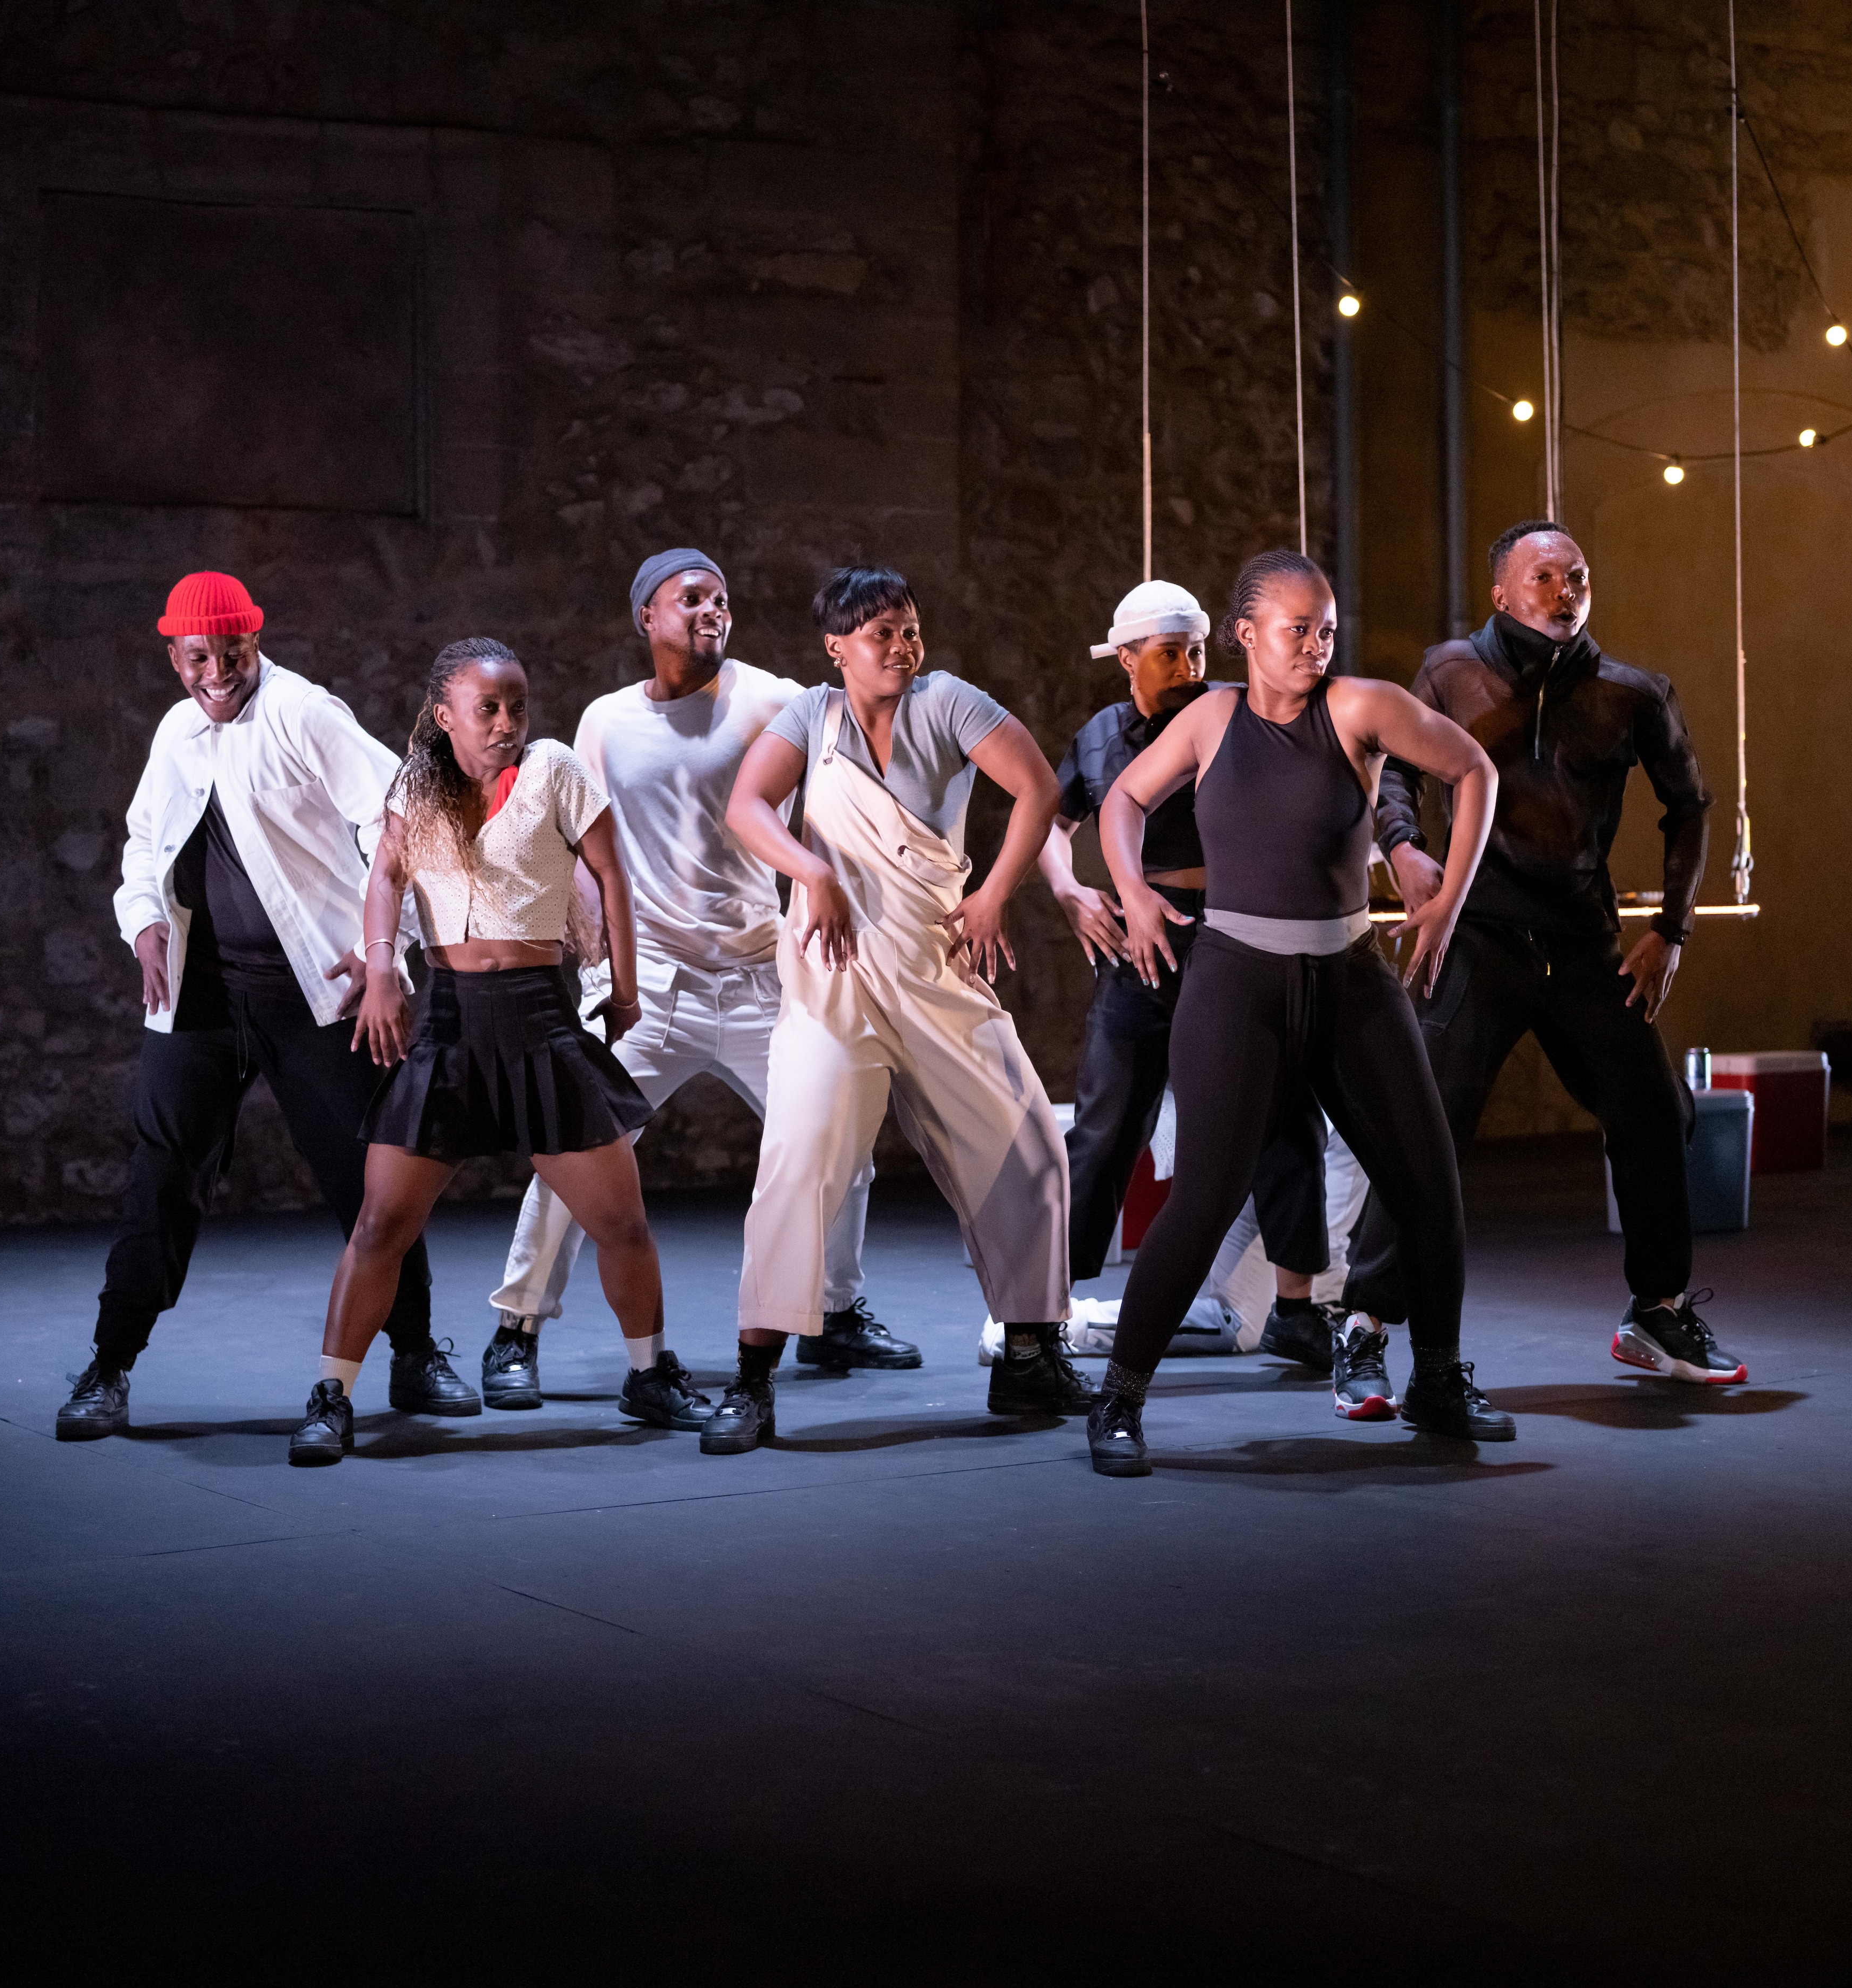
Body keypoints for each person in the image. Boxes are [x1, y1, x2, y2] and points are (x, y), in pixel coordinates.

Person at [1082, 550, 1503, 1478]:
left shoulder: (1360, 706)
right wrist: (1134, 893)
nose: (1316, 645)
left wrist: (1448, 902)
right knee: (1201, 1199)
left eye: (1326, 628)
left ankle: (1436, 1376)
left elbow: (1473, 769)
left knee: (1430, 1186)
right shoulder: (1211, 717)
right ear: (1244, 634)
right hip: (1237, 983)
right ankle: (1118, 1398)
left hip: (1350, 981)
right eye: (1295, 629)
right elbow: (1122, 800)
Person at [56, 571, 470, 1443]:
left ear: (256, 643)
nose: (217, 673)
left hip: (315, 991)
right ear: (174, 658)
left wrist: (386, 950)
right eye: (198, 656)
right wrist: (143, 928)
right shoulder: (176, 734)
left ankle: (417, 1349)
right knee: (161, 1174)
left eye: (231, 653)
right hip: (202, 995)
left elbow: (405, 817)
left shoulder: (302, 712)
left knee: (373, 1178)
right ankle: (109, 1363)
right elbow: (141, 850)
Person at [481, 550, 898, 1412]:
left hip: (757, 972)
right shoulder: (604, 722)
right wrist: (583, 922)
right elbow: (576, 831)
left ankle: (834, 1309)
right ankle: (516, 1327)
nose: (712, 609)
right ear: (649, 617)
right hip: (651, 981)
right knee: (575, 1155)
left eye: (722, 598)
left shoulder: (774, 700)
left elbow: (849, 786)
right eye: (691, 598)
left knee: (838, 1135)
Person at [1355, 520, 1745, 1386]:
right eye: (1543, 577)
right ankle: (1367, 1324)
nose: (1564, 589)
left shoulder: (1632, 692)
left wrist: (1671, 930)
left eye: (1577, 576)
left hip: (1580, 941)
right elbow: (1393, 771)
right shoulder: (1450, 670)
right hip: (1477, 936)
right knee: (1425, 1126)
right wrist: (1402, 845)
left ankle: (1658, 1314)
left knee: (1653, 1110)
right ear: (1502, 591)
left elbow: (1691, 806)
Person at [710, 565, 1080, 1454]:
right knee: (798, 1160)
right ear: (836, 647)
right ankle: (752, 1383)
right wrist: (812, 870)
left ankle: (1030, 1352)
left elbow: (1037, 788)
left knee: (1029, 1145)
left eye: (911, 629)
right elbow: (746, 805)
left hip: (933, 963)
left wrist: (993, 894)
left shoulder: (947, 700)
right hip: (835, 978)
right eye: (883, 633)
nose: (904, 647)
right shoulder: (810, 715)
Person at [288, 638, 681, 1467]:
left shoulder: (556, 770)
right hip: (451, 1026)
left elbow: (613, 874)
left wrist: (625, 980)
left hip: (539, 1022)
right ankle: (331, 1396)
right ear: (446, 717)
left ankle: (649, 1373)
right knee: (378, 1225)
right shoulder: (416, 786)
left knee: (621, 1222)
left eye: (517, 708)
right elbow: (387, 876)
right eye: (488, 710)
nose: (507, 725)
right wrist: (385, 965)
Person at [1038, 580, 1335, 1373]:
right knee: (1104, 1128)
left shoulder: (1240, 715)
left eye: (1198, 650)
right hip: (1140, 943)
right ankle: (1046, 1317)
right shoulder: (1099, 735)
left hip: (1236, 930)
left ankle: (1298, 1308)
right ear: (1128, 658)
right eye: (1171, 652)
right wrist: (1072, 893)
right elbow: (1051, 826)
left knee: (1283, 1113)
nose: (1188, 665)